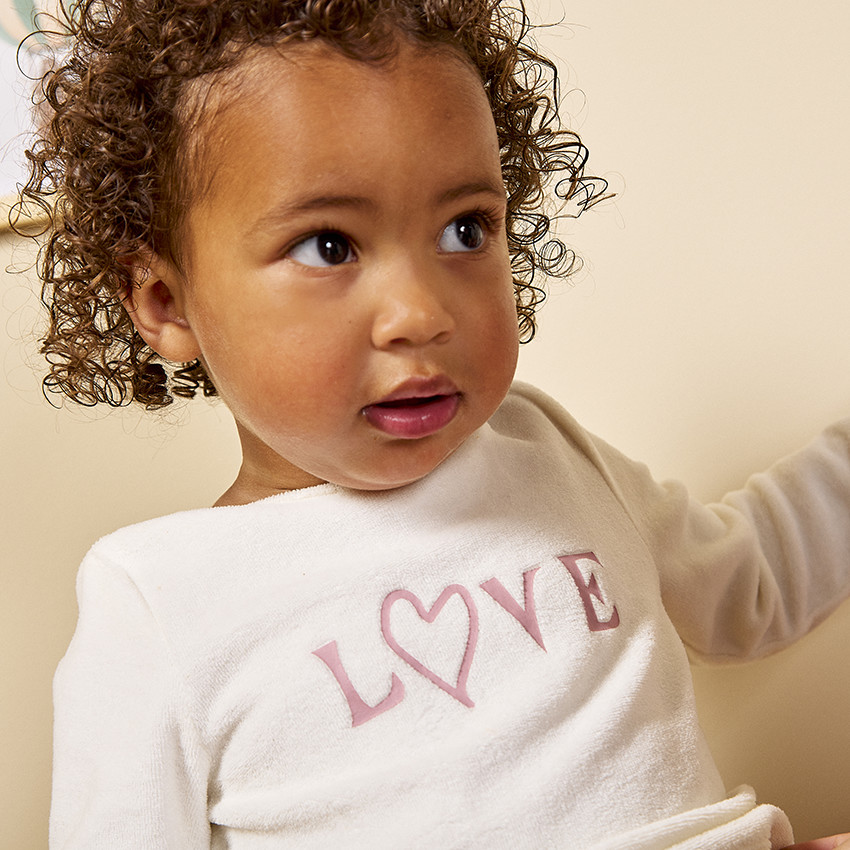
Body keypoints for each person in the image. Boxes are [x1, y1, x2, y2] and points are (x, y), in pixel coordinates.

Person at [17, 0, 850, 847]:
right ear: (165, 302)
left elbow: (747, 586)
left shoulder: (546, 449)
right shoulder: (160, 594)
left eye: (465, 229)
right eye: (328, 246)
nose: (420, 313)